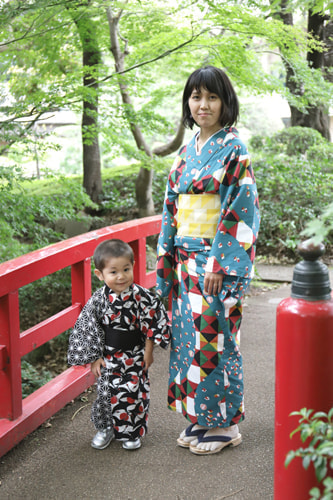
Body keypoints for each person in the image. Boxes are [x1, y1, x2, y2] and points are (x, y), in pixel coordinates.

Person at [156, 66, 260, 455]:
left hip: (214, 264)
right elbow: (171, 208)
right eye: (196, 96)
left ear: (225, 103)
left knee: (216, 339)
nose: (203, 105)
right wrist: (166, 256)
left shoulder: (234, 148)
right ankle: (201, 417)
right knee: (189, 341)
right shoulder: (186, 152)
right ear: (188, 101)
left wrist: (220, 262)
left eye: (212, 97)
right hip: (185, 262)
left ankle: (227, 424)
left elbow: (241, 208)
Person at [68, 239, 170, 451]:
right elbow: (88, 327)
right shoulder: (99, 299)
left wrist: (148, 352)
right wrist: (94, 358)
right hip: (108, 355)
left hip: (135, 354)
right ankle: (105, 428)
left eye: (126, 269)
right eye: (113, 272)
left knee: (133, 392)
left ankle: (132, 432)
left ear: (133, 267)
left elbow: (152, 322)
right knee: (106, 392)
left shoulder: (142, 297)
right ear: (100, 275)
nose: (121, 276)